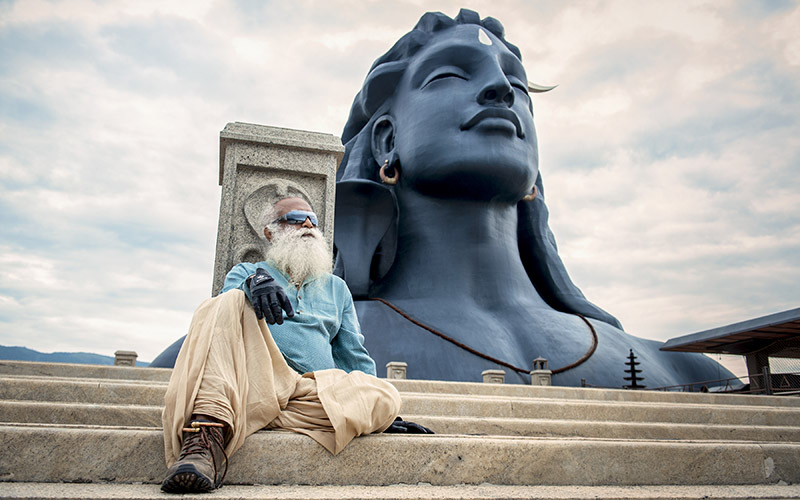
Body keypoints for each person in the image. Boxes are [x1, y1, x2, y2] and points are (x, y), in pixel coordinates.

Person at [333, 9, 731, 387]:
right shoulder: (322, 342)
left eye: (519, 85)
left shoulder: (688, 369)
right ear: (387, 138)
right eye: (450, 74)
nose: (502, 89)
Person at [160, 196, 432, 494]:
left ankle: (247, 414)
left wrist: (382, 414)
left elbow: (353, 353)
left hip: (311, 393)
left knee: (385, 394)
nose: (307, 224)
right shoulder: (245, 272)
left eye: (313, 220)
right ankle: (204, 439)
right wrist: (250, 284)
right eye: (295, 218)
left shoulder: (336, 288)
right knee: (222, 304)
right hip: (255, 380)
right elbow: (223, 324)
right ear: (270, 232)